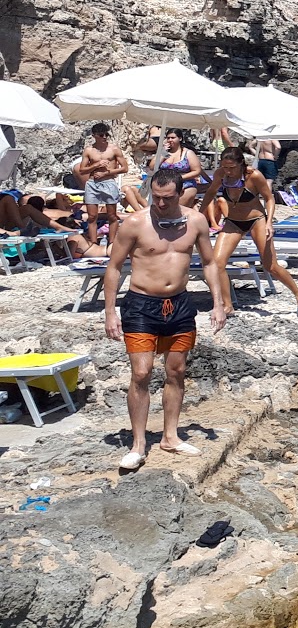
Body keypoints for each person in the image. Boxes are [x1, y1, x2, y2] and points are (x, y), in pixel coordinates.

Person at [104, 166, 227, 470]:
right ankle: (138, 444)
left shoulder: (196, 221)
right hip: (141, 304)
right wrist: (109, 311)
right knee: (142, 373)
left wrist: (218, 302)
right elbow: (115, 267)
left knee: (177, 371)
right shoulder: (134, 224)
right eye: (155, 197)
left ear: (180, 194)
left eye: (166, 199)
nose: (159, 204)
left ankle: (170, 436)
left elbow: (210, 264)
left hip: (180, 304)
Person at [202, 147, 298, 318]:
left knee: (270, 266)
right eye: (225, 167)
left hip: (257, 220)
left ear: (241, 164)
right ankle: (228, 306)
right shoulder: (220, 174)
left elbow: (269, 198)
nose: (228, 171)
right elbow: (210, 193)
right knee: (217, 263)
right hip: (233, 222)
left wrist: (269, 223)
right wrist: (199, 215)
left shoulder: (253, 176)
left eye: (232, 168)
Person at [74, 122, 128, 245]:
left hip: (108, 182)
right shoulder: (89, 150)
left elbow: (124, 168)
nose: (104, 137)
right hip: (93, 183)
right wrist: (96, 165)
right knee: (92, 216)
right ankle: (93, 243)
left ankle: (112, 242)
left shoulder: (113, 149)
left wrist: (106, 173)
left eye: (106, 134)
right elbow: (82, 170)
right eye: (101, 135)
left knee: (112, 216)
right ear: (94, 136)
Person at [157, 131, 204, 207]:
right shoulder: (164, 153)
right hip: (164, 184)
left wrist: (179, 178)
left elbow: (197, 171)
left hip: (185, 184)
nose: (170, 140)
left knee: (176, 209)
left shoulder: (188, 153)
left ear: (180, 138)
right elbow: (153, 167)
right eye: (168, 138)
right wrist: (162, 153)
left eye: (173, 138)